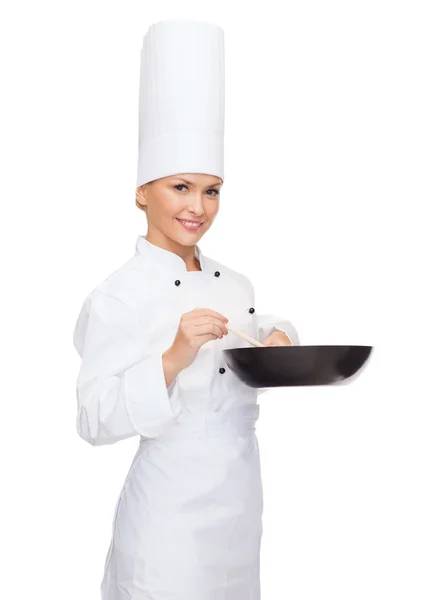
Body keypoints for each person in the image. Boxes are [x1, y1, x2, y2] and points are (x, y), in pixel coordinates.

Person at [73, 19, 300, 599]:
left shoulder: (236, 283)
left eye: (212, 189)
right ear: (142, 191)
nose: (198, 206)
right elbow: (94, 421)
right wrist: (174, 356)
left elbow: (248, 343)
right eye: (180, 187)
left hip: (241, 506)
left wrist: (277, 338)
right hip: (168, 515)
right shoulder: (118, 294)